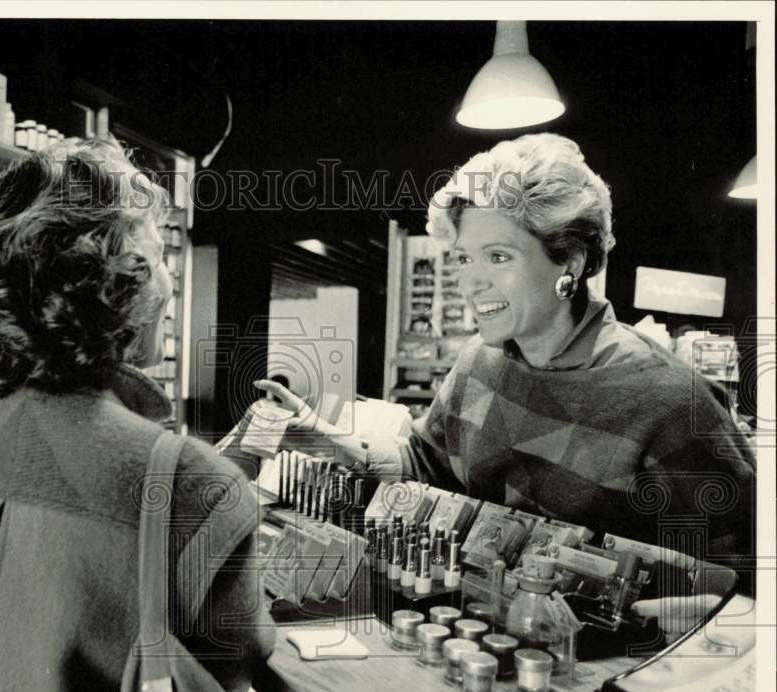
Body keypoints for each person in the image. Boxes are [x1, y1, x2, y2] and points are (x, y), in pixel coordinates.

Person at [257, 133, 755, 636]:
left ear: (572, 261)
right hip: (479, 640)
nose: (470, 282)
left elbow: (748, 572)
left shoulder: (672, 402)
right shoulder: (478, 362)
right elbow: (430, 468)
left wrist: (720, 617)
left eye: (498, 257)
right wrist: (331, 440)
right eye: (463, 258)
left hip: (601, 675)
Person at [0, 138, 271, 692]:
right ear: (108, 291)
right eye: (154, 260)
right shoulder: (193, 482)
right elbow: (232, 675)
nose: (170, 282)